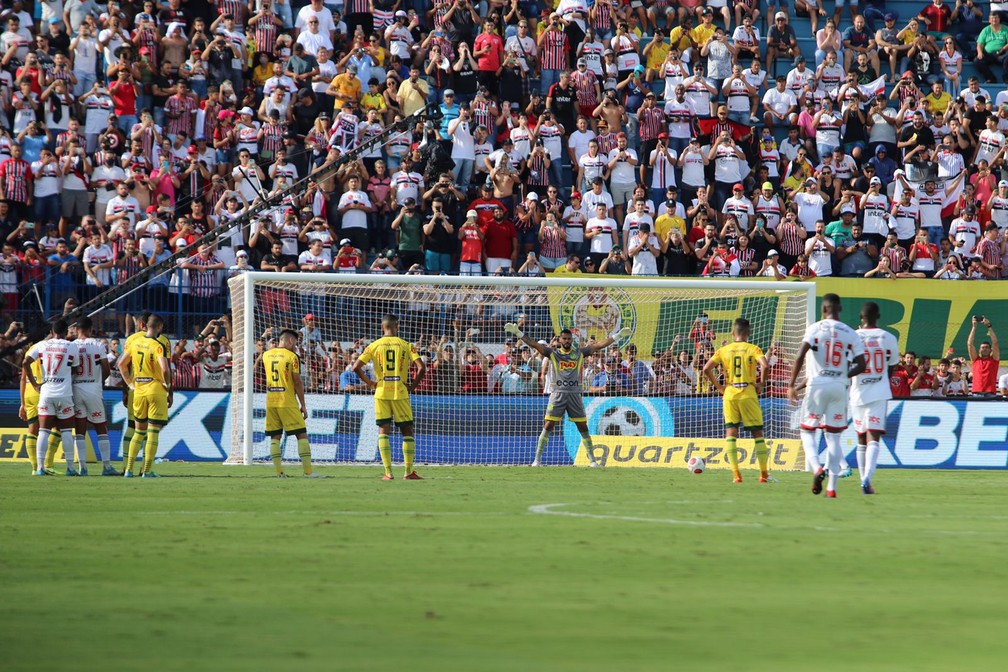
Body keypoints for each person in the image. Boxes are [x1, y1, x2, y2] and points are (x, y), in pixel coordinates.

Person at [507, 321, 632, 468]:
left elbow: (599, 345)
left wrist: (617, 336)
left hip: (574, 394)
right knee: (548, 425)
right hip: (558, 394)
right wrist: (518, 334)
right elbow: (534, 345)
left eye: (569, 339)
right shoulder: (553, 353)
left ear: (571, 340)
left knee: (583, 427)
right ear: (559, 340)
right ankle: (537, 460)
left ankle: (593, 460)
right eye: (564, 338)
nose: (566, 341)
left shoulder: (579, 353)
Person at [787, 293, 867, 498]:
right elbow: (862, 364)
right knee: (833, 437)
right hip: (840, 387)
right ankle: (832, 488)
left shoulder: (815, 328)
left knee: (807, 431)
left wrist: (792, 385)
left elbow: (800, 355)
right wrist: (843, 375)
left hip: (817, 386)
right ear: (839, 309)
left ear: (824, 310)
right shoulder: (850, 333)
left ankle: (816, 468)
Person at [352, 313, 426, 480]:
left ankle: (388, 472)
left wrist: (371, 384)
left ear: (381, 327)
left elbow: (356, 367)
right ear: (397, 326)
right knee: (406, 430)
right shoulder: (406, 345)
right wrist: (412, 387)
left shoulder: (374, 346)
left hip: (381, 392)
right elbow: (421, 368)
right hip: (400, 391)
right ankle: (408, 472)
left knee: (383, 430)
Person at [702, 318, 771, 484]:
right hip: (748, 392)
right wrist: (761, 383)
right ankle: (763, 475)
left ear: (733, 333)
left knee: (731, 433)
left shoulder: (724, 350)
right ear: (749, 333)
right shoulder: (753, 348)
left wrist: (719, 387)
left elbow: (706, 369)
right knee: (757, 434)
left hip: (730, 393)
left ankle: (736, 475)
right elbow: (766, 365)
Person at [850, 302, 899, 496]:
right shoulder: (888, 337)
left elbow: (848, 364)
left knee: (861, 437)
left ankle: (863, 480)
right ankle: (866, 480)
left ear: (861, 318)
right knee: (874, 437)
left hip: (857, 392)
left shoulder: (853, 337)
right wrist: (881, 379)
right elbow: (893, 365)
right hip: (879, 391)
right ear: (878, 317)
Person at [23, 319, 81, 476]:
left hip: (46, 392)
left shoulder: (42, 345)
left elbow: (25, 362)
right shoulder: (71, 346)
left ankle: (40, 467)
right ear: (65, 332)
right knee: (67, 431)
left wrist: (35, 383)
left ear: (53, 331)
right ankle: (70, 468)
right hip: (64, 394)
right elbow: (75, 368)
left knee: (43, 431)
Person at [118, 313, 172, 478]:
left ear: (144, 325)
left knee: (138, 431)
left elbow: (121, 364)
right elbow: (165, 368)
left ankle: (128, 470)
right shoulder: (158, 345)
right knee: (153, 432)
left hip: (138, 390)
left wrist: (129, 384)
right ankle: (147, 471)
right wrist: (167, 385)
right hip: (154, 388)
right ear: (160, 327)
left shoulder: (134, 343)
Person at [262, 329, 319, 478]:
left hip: (271, 401)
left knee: (275, 437)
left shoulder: (266, 355)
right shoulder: (292, 356)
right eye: (296, 343)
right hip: (286, 401)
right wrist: (303, 405)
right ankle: (308, 472)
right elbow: (297, 382)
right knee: (301, 434)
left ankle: (279, 473)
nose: (296, 346)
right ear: (291, 341)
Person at [71, 316, 117, 476]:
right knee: (100, 427)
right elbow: (106, 369)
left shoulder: (72, 346)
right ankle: (106, 466)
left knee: (79, 429)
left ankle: (82, 468)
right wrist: (99, 382)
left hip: (76, 388)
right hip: (93, 388)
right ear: (91, 330)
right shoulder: (98, 345)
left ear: (77, 329)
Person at [19, 334, 59, 475]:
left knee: (32, 430)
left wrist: (22, 403)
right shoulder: (50, 349)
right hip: (43, 389)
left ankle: (36, 468)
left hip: (29, 391)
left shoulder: (30, 350)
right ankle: (47, 464)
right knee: (58, 426)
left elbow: (23, 378)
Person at [967, 316, 999, 395]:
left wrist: (989, 326)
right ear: (979, 350)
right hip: (976, 393)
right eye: (982, 348)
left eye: (987, 347)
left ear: (991, 350)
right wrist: (974, 327)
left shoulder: (994, 360)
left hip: (990, 393)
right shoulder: (976, 360)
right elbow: (969, 344)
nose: (984, 349)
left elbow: (995, 343)